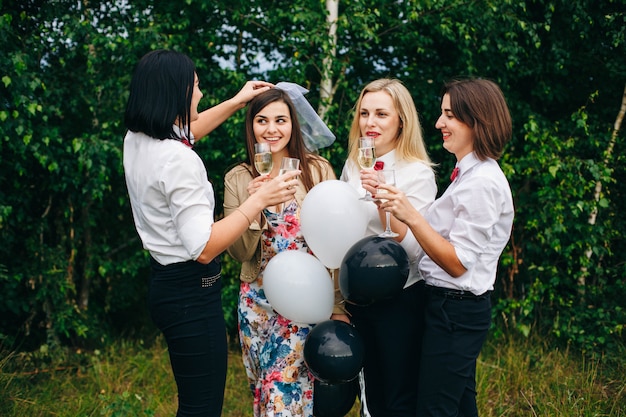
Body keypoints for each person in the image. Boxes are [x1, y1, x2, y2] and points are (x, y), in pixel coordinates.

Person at [122, 49, 300, 417]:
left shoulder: (138, 139)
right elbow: (203, 247)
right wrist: (258, 201)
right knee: (201, 408)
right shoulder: (179, 161)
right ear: (177, 93)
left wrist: (238, 101)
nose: (201, 95)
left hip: (166, 286)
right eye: (196, 87)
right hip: (191, 295)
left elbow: (187, 133)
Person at [378, 78, 514, 416]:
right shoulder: (469, 174)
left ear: (476, 121)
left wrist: (411, 214)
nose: (439, 123)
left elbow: (457, 263)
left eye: (449, 115)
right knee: (461, 406)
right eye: (442, 114)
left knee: (434, 409)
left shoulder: (483, 183)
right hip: (444, 307)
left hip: (457, 311)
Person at [223, 84, 336, 417]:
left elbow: (336, 246)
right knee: (264, 391)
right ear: (251, 126)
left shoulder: (317, 171)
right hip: (257, 304)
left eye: (280, 120)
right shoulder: (239, 177)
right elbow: (239, 251)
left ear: (293, 124)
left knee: (279, 389)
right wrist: (255, 204)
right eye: (262, 120)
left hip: (305, 303)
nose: (271, 129)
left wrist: (339, 304)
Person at [338, 78, 437, 416]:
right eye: (365, 113)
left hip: (400, 299)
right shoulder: (353, 165)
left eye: (381, 114)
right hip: (357, 296)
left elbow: (413, 251)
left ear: (401, 121)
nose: (370, 122)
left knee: (399, 395)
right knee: (369, 394)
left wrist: (384, 200)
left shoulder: (418, 173)